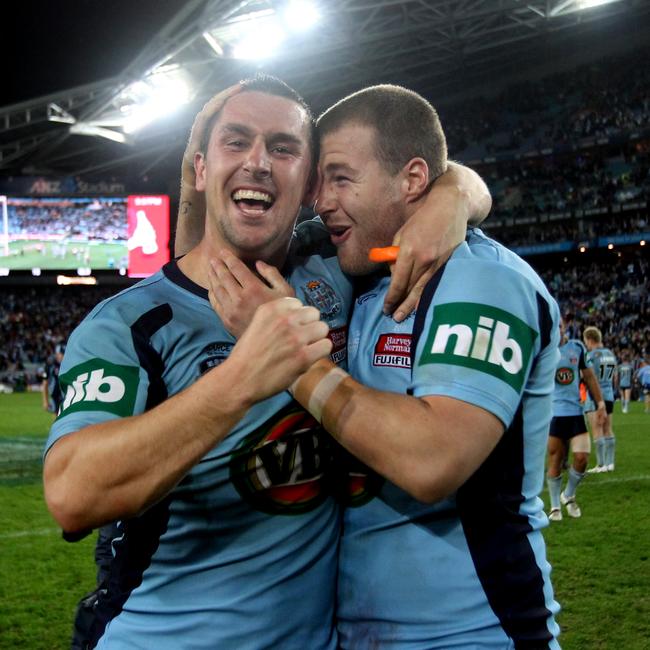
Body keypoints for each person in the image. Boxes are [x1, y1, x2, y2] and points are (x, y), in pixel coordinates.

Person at [44, 75, 489, 650]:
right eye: (236, 141)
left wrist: (452, 197)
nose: (258, 162)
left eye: (282, 148)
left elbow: (431, 181)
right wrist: (241, 376)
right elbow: (72, 497)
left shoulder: (333, 262)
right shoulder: (128, 325)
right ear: (201, 172)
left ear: (307, 185)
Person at [213, 85, 561, 648]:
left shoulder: (484, 280)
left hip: (472, 633)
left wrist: (285, 353)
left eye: (341, 178)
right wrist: (460, 189)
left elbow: (432, 461)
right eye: (319, 181)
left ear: (413, 180)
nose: (319, 200)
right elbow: (208, 239)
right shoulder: (353, 271)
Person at [546, 319, 606, 522]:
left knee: (582, 458)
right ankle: (555, 506)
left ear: (565, 328)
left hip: (574, 412)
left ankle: (568, 494)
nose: (559, 329)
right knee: (556, 458)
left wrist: (600, 403)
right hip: (553, 414)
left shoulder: (577, 347)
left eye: (561, 326)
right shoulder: (543, 351)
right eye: (555, 326)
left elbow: (589, 377)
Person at [583, 326, 618, 473]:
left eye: (586, 341)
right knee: (608, 428)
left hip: (595, 396)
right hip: (609, 394)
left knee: (597, 429)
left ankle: (601, 464)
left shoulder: (591, 355)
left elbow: (587, 377)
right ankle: (610, 463)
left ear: (590, 340)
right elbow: (615, 376)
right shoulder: (610, 354)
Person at [41, 343, 65, 415]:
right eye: (62, 354)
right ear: (57, 354)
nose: (64, 356)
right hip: (55, 394)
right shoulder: (50, 363)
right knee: (56, 415)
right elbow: (45, 383)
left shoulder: (68, 363)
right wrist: (45, 401)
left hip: (66, 393)